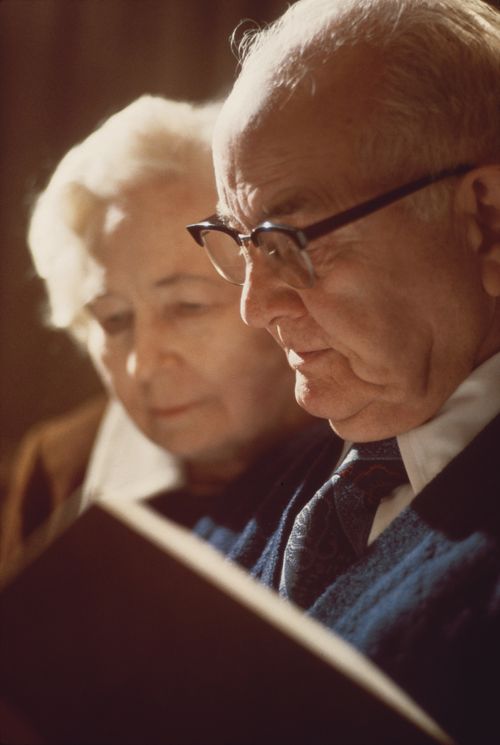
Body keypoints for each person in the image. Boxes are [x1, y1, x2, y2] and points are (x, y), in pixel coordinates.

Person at [186, 0, 500, 741]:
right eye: (237, 240)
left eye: (288, 239)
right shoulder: (280, 471)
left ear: (486, 219)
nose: (253, 307)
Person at [1, 95, 334, 571]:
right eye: (114, 319)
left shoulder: (369, 455)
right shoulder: (60, 467)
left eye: (185, 307)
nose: (144, 363)